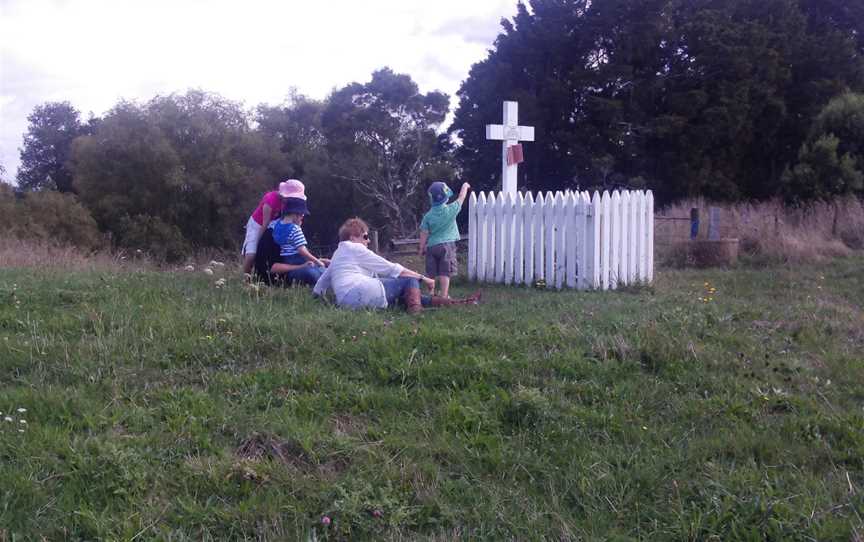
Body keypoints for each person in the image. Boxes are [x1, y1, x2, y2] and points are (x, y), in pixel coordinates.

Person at [314, 218, 480, 314]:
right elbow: (392, 269)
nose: (368, 240)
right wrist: (424, 278)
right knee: (408, 280)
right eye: (365, 236)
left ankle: (459, 303)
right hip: (360, 292)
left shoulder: (338, 254)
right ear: (352, 238)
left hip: (346, 302)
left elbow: (321, 284)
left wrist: (318, 299)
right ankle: (417, 313)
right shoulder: (355, 248)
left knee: (405, 295)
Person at [418, 181, 471, 298]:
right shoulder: (451, 210)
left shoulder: (428, 216)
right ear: (446, 197)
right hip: (447, 246)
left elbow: (424, 232)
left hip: (431, 246)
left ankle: (430, 293)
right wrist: (465, 186)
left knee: (431, 272)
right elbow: (461, 197)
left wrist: (421, 247)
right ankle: (444, 295)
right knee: (445, 271)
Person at [241, 179, 306, 275]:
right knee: (251, 254)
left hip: (273, 223)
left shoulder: (288, 203)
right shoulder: (270, 199)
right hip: (258, 224)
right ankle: (246, 278)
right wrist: (259, 244)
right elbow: (265, 222)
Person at [268, 196, 329, 286]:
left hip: (286, 261)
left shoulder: (275, 225)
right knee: (322, 272)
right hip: (297, 260)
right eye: (301, 214)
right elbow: (302, 251)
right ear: (295, 214)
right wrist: (317, 261)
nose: (303, 216)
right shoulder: (295, 229)